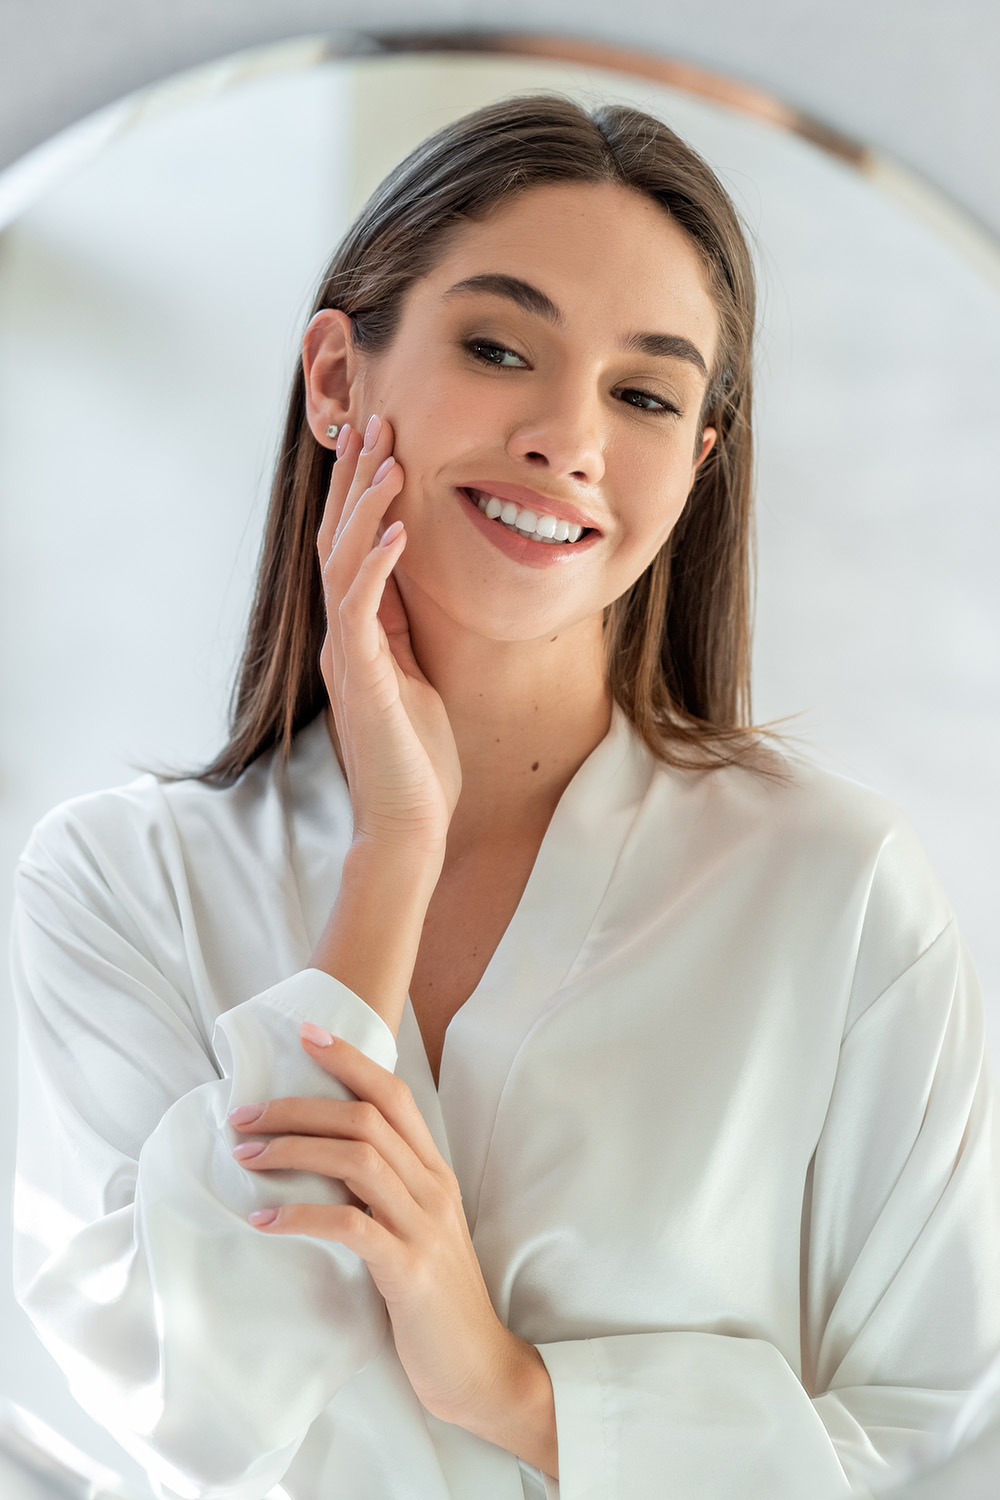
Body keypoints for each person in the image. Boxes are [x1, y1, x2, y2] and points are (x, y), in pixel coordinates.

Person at [10, 93, 1000, 1500]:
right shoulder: (117, 886)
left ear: (695, 465)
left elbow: (942, 1445)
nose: (566, 437)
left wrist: (516, 1391)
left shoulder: (835, 892)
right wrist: (391, 858)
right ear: (337, 378)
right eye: (497, 348)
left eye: (644, 395)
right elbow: (187, 1405)